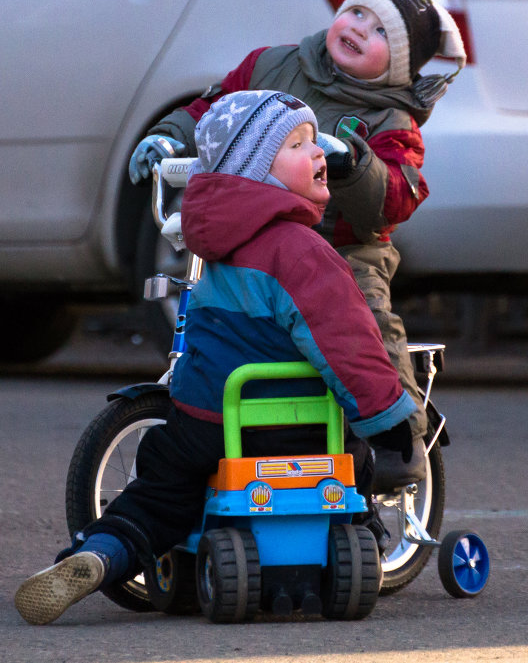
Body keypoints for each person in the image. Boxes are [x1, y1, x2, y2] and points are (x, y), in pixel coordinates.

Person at [15, 90, 420, 626]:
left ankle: (100, 553)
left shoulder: (214, 247)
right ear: (258, 174)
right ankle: (356, 535)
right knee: (359, 463)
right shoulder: (301, 250)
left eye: (313, 139)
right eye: (297, 144)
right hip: (288, 427)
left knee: (160, 493)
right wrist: (389, 421)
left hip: (203, 420)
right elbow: (347, 346)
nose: (319, 150)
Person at [128, 0, 466, 483]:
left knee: (364, 318)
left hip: (342, 246)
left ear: (398, 64)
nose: (358, 27)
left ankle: (400, 435)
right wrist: (169, 137)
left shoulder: (393, 122)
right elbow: (212, 112)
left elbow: (397, 196)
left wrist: (356, 163)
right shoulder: (272, 64)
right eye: (356, 12)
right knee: (215, 302)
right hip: (256, 227)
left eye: (379, 31)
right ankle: (213, 413)